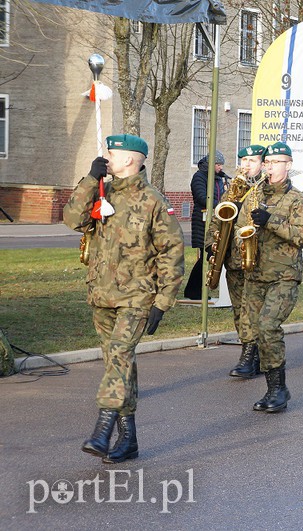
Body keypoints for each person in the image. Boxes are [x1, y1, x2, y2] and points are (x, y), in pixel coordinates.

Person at [63, 134, 184, 463]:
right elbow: (73, 220)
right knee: (119, 365)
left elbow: (172, 253)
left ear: (131, 159)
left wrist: (163, 302)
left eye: (111, 153)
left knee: (118, 354)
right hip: (102, 293)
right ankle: (128, 439)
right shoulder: (102, 190)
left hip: (136, 296)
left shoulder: (153, 200)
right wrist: (90, 180)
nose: (107, 158)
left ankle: (103, 427)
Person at [237, 142, 303, 412]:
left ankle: (278, 389)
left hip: (284, 275)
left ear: (288, 165)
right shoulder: (254, 194)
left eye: (276, 162)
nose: (270, 167)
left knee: (268, 327)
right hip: (255, 273)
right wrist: (243, 237)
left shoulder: (297, 198)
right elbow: (238, 228)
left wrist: (270, 221)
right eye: (267, 162)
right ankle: (273, 389)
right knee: (257, 330)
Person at [222, 144, 268, 379]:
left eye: (251, 161)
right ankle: (250, 351)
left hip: (256, 258)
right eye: (243, 161)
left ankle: (249, 355)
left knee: (252, 310)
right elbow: (219, 215)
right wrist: (213, 244)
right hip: (233, 257)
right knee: (239, 309)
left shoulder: (267, 188)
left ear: (262, 163)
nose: (246, 165)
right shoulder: (233, 186)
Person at [185, 150, 229, 299]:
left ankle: (196, 290)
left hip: (215, 220)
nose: (220, 168)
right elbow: (202, 198)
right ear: (210, 164)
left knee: (210, 256)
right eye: (218, 164)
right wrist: (222, 206)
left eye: (221, 165)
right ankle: (193, 291)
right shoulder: (199, 177)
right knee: (205, 257)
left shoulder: (218, 179)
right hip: (202, 221)